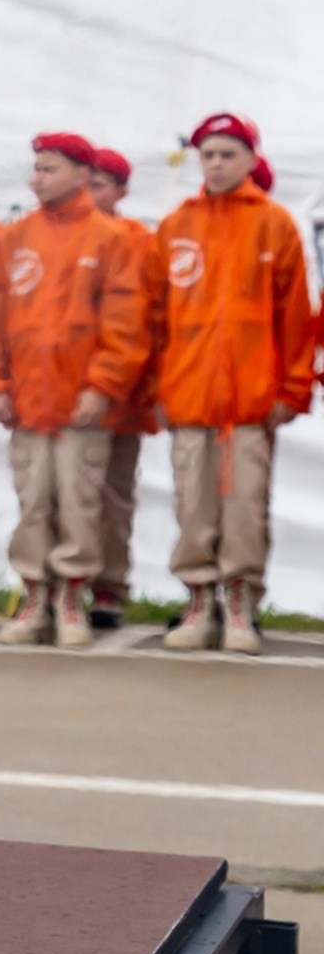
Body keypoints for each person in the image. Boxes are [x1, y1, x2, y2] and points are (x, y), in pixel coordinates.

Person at [147, 112, 314, 654]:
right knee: (193, 505)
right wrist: (157, 389)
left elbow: (296, 317)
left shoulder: (275, 224)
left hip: (251, 404)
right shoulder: (176, 226)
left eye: (227, 154)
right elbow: (154, 317)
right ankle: (198, 602)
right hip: (189, 399)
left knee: (244, 506)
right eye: (209, 154)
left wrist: (292, 391)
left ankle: (241, 604)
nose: (216, 164)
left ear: (250, 159)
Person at [0, 133, 147, 649]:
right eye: (36, 168)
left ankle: (72, 597)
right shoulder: (14, 238)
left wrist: (103, 386)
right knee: (33, 502)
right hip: (28, 400)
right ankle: (34, 597)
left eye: (49, 169)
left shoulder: (110, 239)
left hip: (81, 404)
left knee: (78, 500)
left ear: (79, 175)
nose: (38, 178)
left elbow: (126, 324)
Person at [86, 147, 157, 628]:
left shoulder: (138, 241)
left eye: (100, 186)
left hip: (121, 395)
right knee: (61, 492)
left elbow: (149, 321)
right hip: (65, 393)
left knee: (112, 495)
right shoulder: (58, 235)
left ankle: (109, 587)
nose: (90, 195)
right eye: (84, 183)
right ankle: (55, 582)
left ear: (121, 191)